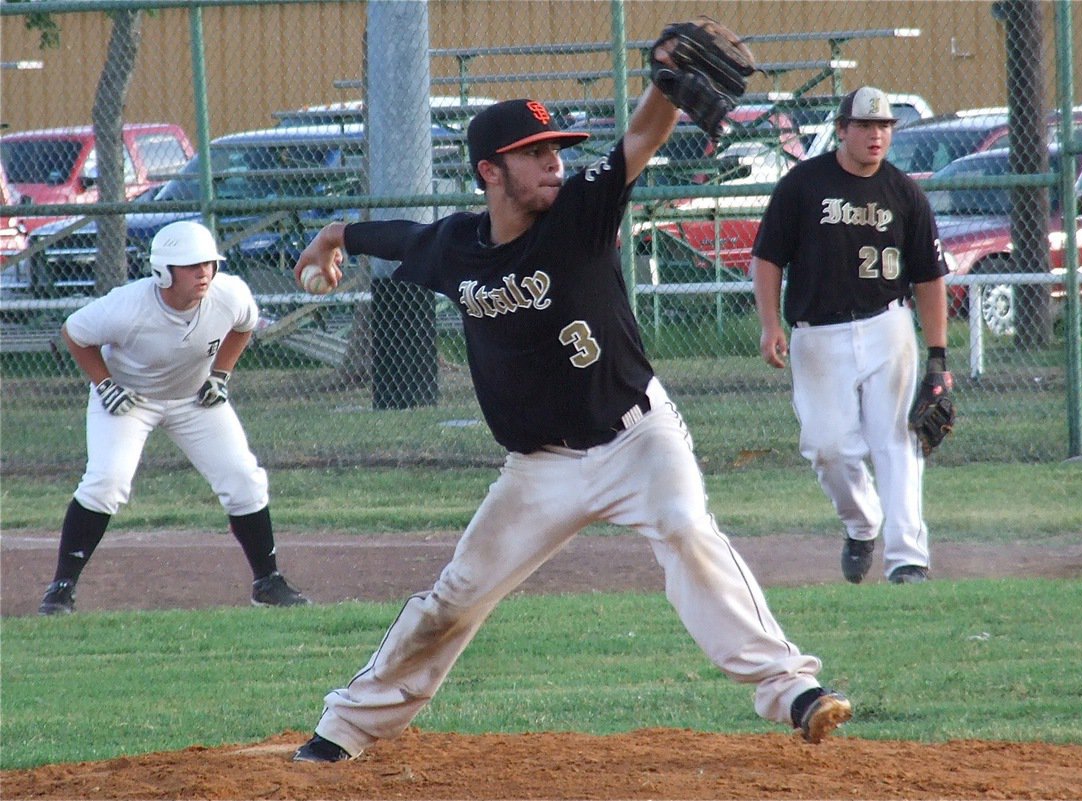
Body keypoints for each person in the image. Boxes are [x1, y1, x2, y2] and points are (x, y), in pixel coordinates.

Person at [288, 43, 852, 764]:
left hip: (635, 439)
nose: (555, 160)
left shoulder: (580, 213)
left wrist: (665, 86)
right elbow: (396, 236)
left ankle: (791, 689)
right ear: (491, 171)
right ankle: (344, 729)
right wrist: (333, 235)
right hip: (539, 469)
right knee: (455, 596)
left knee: (686, 527)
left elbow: (640, 139)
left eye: (557, 147)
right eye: (534, 152)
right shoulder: (457, 247)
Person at [37, 220, 309, 615]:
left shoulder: (229, 293)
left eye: (209, 264)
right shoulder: (127, 305)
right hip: (130, 399)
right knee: (106, 481)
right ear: (163, 271)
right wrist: (105, 383)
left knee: (243, 478)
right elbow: (75, 333)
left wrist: (220, 374)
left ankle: (268, 582)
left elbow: (244, 326)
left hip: (193, 398)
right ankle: (61, 588)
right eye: (192, 265)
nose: (204, 273)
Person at [749, 86, 951, 586]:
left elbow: (929, 277)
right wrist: (770, 324)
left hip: (888, 326)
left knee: (898, 441)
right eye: (864, 125)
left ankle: (907, 559)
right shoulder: (803, 185)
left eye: (883, 126)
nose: (876, 135)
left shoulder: (905, 193)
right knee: (827, 448)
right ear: (841, 129)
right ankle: (862, 525)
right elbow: (767, 258)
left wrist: (938, 355)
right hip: (818, 335)